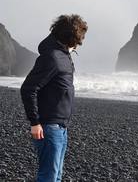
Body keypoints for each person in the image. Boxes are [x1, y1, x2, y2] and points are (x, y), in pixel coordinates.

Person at [20, 14, 88, 181]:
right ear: (71, 38)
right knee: (49, 176)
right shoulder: (52, 57)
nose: (79, 45)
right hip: (48, 127)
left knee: (56, 175)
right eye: (78, 41)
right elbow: (28, 88)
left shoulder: (63, 54)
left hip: (60, 127)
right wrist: (35, 123)